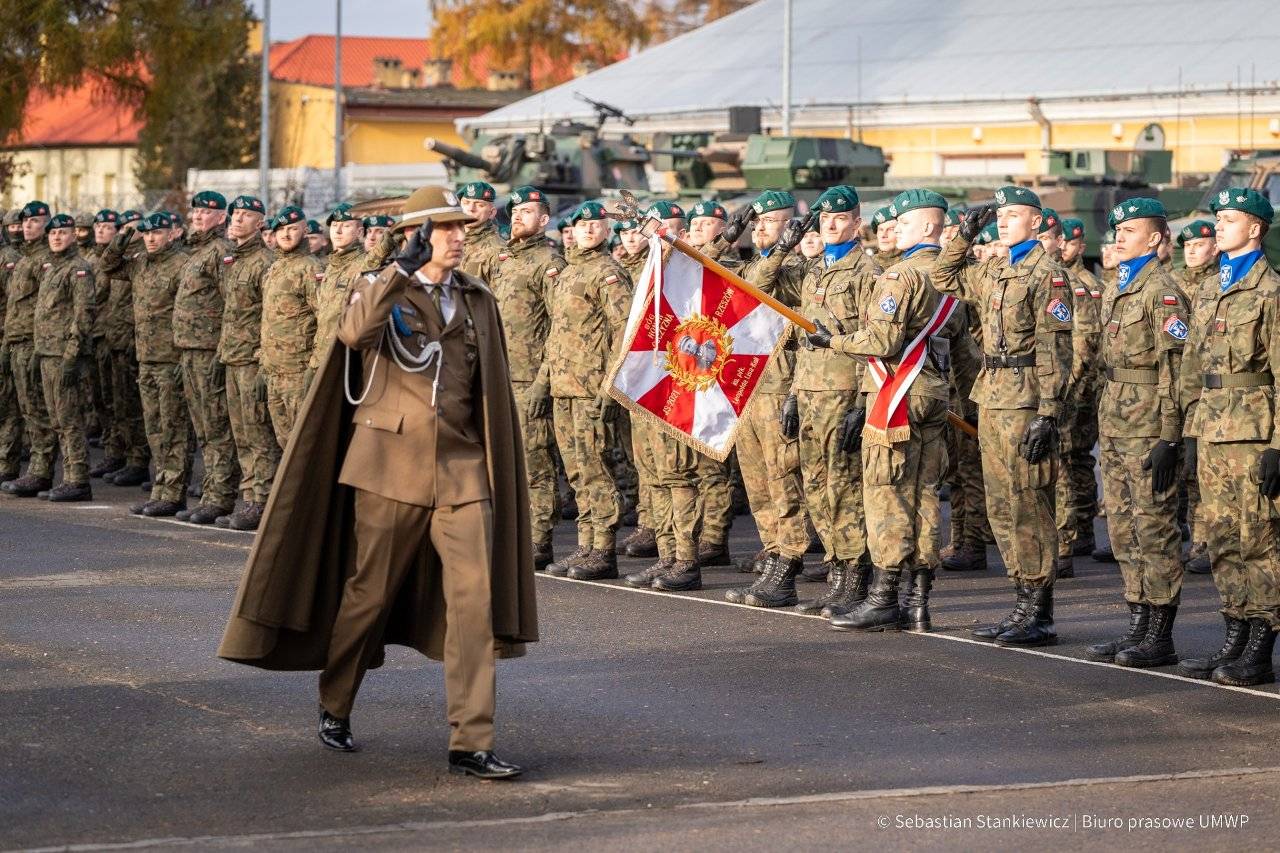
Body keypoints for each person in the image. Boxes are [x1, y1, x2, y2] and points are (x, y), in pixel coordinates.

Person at [218, 185, 537, 779]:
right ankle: (336, 701)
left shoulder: (476, 297)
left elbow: (487, 384)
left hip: (462, 467)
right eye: (446, 228)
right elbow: (354, 334)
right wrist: (398, 271)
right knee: (369, 594)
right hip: (390, 463)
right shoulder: (379, 287)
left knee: (474, 603)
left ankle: (471, 741)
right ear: (416, 236)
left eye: (461, 227)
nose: (459, 236)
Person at [816, 189, 979, 632]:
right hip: (935, 395)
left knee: (886, 491)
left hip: (897, 393)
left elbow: (883, 342)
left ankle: (884, 596)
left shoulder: (900, 275)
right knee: (924, 494)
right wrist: (970, 404)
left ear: (927, 226)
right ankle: (919, 599)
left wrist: (832, 341)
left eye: (903, 222)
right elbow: (964, 351)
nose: (894, 229)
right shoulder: (952, 278)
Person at [931, 187, 1073, 647]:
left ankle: (1040, 611)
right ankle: (1021, 600)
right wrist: (963, 236)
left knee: (1029, 502)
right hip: (992, 395)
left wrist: (1048, 413)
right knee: (1001, 505)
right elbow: (942, 277)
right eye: (1001, 215)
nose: (1005, 221)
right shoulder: (996, 269)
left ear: (1037, 222)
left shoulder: (1047, 275)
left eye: (1014, 214)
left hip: (1026, 399)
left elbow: (1056, 349)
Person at [1177, 187, 1280, 686]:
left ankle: (1260, 644)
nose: (1218, 226)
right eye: (1217, 218)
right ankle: (1234, 634)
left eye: (1230, 219)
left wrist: (1278, 446)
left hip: (1253, 433)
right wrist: (1188, 431)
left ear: (1255, 228)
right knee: (1219, 537)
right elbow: (1193, 367)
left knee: (1257, 537)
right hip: (1212, 427)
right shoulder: (1210, 289)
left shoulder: (1270, 290)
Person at [1082, 198, 1188, 668]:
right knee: (1123, 528)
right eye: (1118, 230)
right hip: (1117, 422)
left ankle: (1160, 634)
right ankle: (1138, 623)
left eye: (1130, 230)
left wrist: (1170, 436)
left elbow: (1176, 369)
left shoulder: (1162, 292)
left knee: (1154, 527)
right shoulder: (1118, 286)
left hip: (1149, 427)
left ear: (1156, 238)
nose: (1119, 237)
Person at [712, 191, 809, 607]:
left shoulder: (799, 268)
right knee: (757, 484)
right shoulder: (751, 262)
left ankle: (789, 561)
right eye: (756, 222)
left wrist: (783, 248)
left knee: (783, 481)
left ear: (791, 225)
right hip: (748, 385)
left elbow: (757, 289)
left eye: (770, 221)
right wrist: (724, 240)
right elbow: (703, 269)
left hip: (780, 385)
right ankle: (772, 554)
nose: (759, 228)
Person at [786, 185, 877, 617]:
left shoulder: (867, 272)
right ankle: (836, 572)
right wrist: (792, 394)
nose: (831, 226)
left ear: (857, 224)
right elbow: (804, 336)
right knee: (816, 486)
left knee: (844, 486)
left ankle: (856, 576)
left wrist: (861, 401)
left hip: (842, 391)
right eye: (824, 219)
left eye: (840, 219)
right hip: (809, 390)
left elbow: (871, 341)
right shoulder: (814, 270)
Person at [542, 201, 632, 580]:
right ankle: (585, 544)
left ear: (606, 231)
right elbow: (556, 331)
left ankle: (604, 549)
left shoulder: (608, 273)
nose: (589, 230)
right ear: (573, 230)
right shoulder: (566, 272)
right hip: (564, 386)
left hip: (591, 387)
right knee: (577, 472)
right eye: (582, 225)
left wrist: (611, 385)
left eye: (596, 225)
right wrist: (546, 381)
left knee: (596, 468)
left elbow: (624, 331)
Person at [619, 201, 706, 592]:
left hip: (675, 388)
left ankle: (686, 559)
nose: (657, 237)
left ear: (681, 234)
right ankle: (667, 555)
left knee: (678, 475)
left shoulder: (692, 275)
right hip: (645, 387)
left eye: (665, 230)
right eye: (652, 230)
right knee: (653, 475)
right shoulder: (647, 271)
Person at [488, 185, 567, 571]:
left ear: (544, 220)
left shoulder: (550, 262)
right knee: (501, 460)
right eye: (516, 211)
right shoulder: (503, 258)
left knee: (534, 462)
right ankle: (510, 533)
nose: (519, 216)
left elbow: (559, 327)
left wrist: (542, 382)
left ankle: (538, 539)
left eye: (528, 212)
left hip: (529, 378)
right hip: (499, 375)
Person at [103, 212, 193, 516]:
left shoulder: (183, 264)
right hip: (146, 358)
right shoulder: (139, 262)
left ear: (172, 234)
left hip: (170, 358)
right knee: (154, 427)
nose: (151, 238)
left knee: (173, 427)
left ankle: (174, 493)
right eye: (147, 233)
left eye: (158, 233)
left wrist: (183, 355)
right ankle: (160, 489)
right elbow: (108, 266)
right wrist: (125, 235)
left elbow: (188, 312)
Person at [1035, 208, 1101, 579]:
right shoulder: (1034, 277)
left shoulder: (1076, 284)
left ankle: (1067, 541)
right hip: (1037, 385)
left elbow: (1084, 343)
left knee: (1065, 463)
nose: (1042, 244)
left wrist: (1066, 388)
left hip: (1067, 389)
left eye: (1047, 238)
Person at [172, 191, 238, 525]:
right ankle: (211, 492)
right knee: (202, 427)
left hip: (209, 350)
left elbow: (231, 305)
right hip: (190, 350)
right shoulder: (196, 250)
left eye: (206, 212)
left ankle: (220, 496)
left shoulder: (221, 251)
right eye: (195, 211)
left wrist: (221, 352)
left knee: (216, 427)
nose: (198, 216)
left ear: (221, 217)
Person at [216, 195, 281, 531]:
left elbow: (269, 317)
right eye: (235, 214)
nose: (238, 219)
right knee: (241, 434)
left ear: (261, 223)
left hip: (252, 360)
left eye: (246, 215)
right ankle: (249, 497)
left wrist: (262, 362)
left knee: (258, 434)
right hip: (232, 356)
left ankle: (263, 502)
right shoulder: (233, 260)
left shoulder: (264, 261)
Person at [682, 200, 735, 566]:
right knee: (690, 465)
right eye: (695, 223)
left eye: (708, 222)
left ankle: (714, 537)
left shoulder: (732, 267)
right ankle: (695, 532)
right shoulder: (684, 267)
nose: (700, 228)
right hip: (689, 371)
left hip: (721, 373)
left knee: (714, 463)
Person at [33, 213, 96, 501]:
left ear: (73, 236)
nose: (57, 237)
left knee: (70, 418)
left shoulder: (78, 268)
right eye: (53, 233)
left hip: (64, 355)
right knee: (57, 419)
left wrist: (72, 355)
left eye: (63, 232)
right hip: (48, 353)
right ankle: (69, 476)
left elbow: (83, 314)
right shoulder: (51, 267)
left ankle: (78, 480)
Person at [1, 201, 57, 497]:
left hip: (33, 342)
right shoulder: (24, 257)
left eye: (34, 221)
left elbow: (48, 308)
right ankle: (30, 468)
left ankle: (41, 471)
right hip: (15, 340)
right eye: (25, 222)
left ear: (47, 223)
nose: (27, 226)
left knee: (37, 409)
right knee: (22, 407)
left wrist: (39, 345)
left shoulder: (46, 259)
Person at [1174, 219, 1218, 574]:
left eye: (1199, 245)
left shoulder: (1219, 283)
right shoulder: (1171, 282)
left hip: (1209, 386)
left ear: (1214, 247)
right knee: (1183, 470)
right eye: (1187, 246)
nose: (1191, 250)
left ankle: (1204, 542)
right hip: (1178, 385)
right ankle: (1187, 535)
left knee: (1202, 472)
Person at [259, 206, 323, 449]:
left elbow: (324, 318)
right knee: (284, 443)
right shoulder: (275, 268)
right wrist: (263, 363)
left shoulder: (310, 268)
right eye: (280, 230)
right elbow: (268, 320)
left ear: (304, 231)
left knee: (303, 445)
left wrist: (315, 366)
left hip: (298, 371)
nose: (285, 234)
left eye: (292, 229)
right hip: (274, 371)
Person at [0, 209, 26, 482]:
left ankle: (6, 464)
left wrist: (8, 342)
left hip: (4, 337)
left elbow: (14, 305)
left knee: (7, 405)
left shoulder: (8, 258)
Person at [457, 181, 504, 281]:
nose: (471, 209)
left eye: (479, 205)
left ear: (492, 213)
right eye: (466, 203)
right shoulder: (449, 242)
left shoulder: (498, 250)